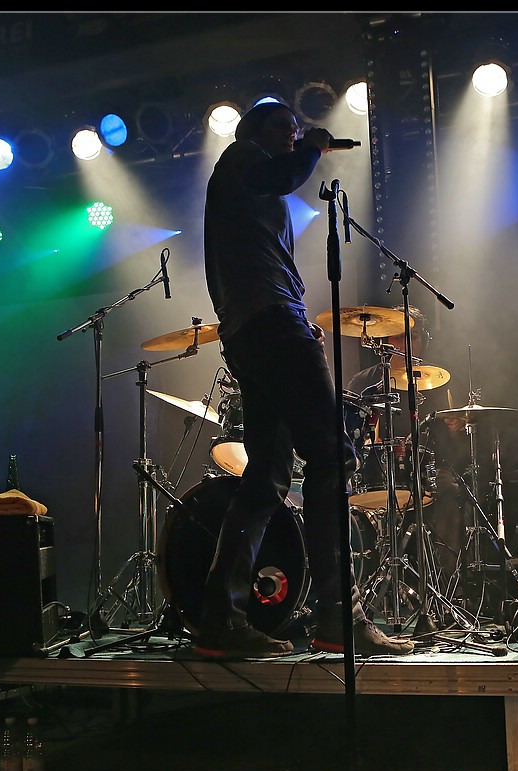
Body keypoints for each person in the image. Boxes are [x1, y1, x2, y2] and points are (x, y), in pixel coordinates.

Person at [196, 100, 413, 659]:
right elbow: (282, 175)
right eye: (284, 128)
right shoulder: (243, 158)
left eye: (297, 130)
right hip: (270, 324)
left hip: (256, 327)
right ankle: (340, 617)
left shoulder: (249, 187)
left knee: (266, 479)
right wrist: (314, 147)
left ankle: (221, 618)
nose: (294, 135)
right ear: (253, 131)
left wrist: (296, 313)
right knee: (332, 455)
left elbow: (265, 257)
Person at [345, 309, 469, 587]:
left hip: (426, 472)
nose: (406, 344)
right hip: (376, 473)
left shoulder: (436, 380)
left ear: (424, 340)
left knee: (450, 490)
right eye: (399, 336)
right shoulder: (363, 382)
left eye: (413, 336)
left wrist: (456, 428)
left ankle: (448, 586)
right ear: (385, 339)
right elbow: (350, 435)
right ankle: (366, 585)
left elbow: (456, 444)